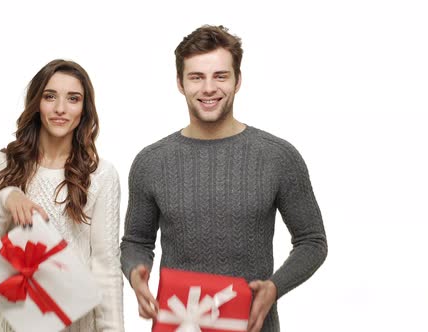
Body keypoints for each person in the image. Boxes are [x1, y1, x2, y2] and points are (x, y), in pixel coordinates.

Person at [120, 25, 327, 332]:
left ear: (238, 80)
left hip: (252, 325)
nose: (208, 88)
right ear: (179, 83)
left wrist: (274, 287)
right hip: (179, 325)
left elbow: (312, 241)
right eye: (196, 77)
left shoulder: (278, 157)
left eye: (220, 75)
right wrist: (136, 271)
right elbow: (136, 241)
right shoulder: (151, 162)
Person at [0, 59, 124, 332]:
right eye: (50, 96)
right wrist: (7, 199)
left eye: (73, 99)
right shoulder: (2, 165)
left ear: (84, 109)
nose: (60, 109)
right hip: (17, 324)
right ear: (36, 102)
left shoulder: (101, 175)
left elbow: (106, 268)